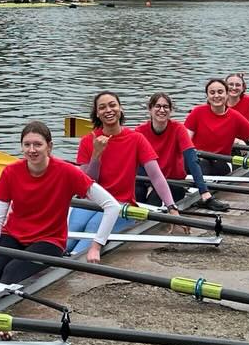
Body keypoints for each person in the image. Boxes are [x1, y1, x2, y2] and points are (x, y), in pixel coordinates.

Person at [0, 120, 119, 284]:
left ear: (49, 147)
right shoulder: (10, 172)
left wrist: (96, 246)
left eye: (37, 144)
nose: (32, 150)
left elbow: (112, 206)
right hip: (13, 235)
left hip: (50, 241)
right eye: (27, 145)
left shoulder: (67, 172)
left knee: (12, 272)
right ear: (21, 147)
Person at [70, 92, 178, 240]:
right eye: (102, 107)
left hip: (120, 204)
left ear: (120, 109)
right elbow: (86, 184)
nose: (108, 110)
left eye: (112, 105)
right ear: (97, 114)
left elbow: (156, 177)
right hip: (91, 201)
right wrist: (96, 155)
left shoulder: (136, 139)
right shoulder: (88, 140)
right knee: (73, 229)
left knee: (92, 229)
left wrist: (171, 207)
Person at [135, 91, 215, 208]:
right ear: (150, 109)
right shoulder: (140, 131)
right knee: (136, 194)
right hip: (147, 180)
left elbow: (192, 159)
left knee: (154, 201)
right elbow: (130, 161)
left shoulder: (178, 129)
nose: (162, 110)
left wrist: (204, 191)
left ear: (171, 110)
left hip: (173, 182)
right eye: (157, 106)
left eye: (166, 107)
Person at [183, 80, 249, 177]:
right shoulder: (197, 112)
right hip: (197, 157)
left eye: (220, 92)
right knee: (195, 163)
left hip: (221, 161)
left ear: (227, 95)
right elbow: (185, 140)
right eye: (212, 93)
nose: (216, 96)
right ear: (207, 96)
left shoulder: (235, 117)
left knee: (203, 166)